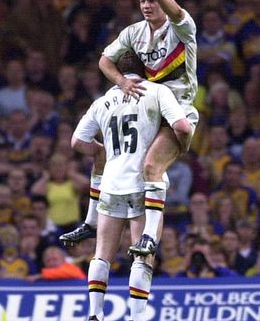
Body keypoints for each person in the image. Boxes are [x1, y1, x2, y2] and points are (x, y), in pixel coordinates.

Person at [61, 0, 199, 255]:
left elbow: (176, 13)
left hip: (178, 109)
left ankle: (148, 236)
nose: (147, 4)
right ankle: (91, 220)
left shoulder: (182, 28)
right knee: (103, 153)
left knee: (151, 167)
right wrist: (122, 81)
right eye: (143, 0)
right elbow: (104, 61)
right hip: (150, 107)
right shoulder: (133, 32)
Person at [71, 50, 193, 321]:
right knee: (143, 256)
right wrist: (182, 147)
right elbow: (182, 127)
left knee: (102, 254)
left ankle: (95, 314)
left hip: (111, 184)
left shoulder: (102, 101)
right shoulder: (157, 91)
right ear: (148, 68)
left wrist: (101, 151)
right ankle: (137, 317)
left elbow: (77, 142)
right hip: (144, 185)